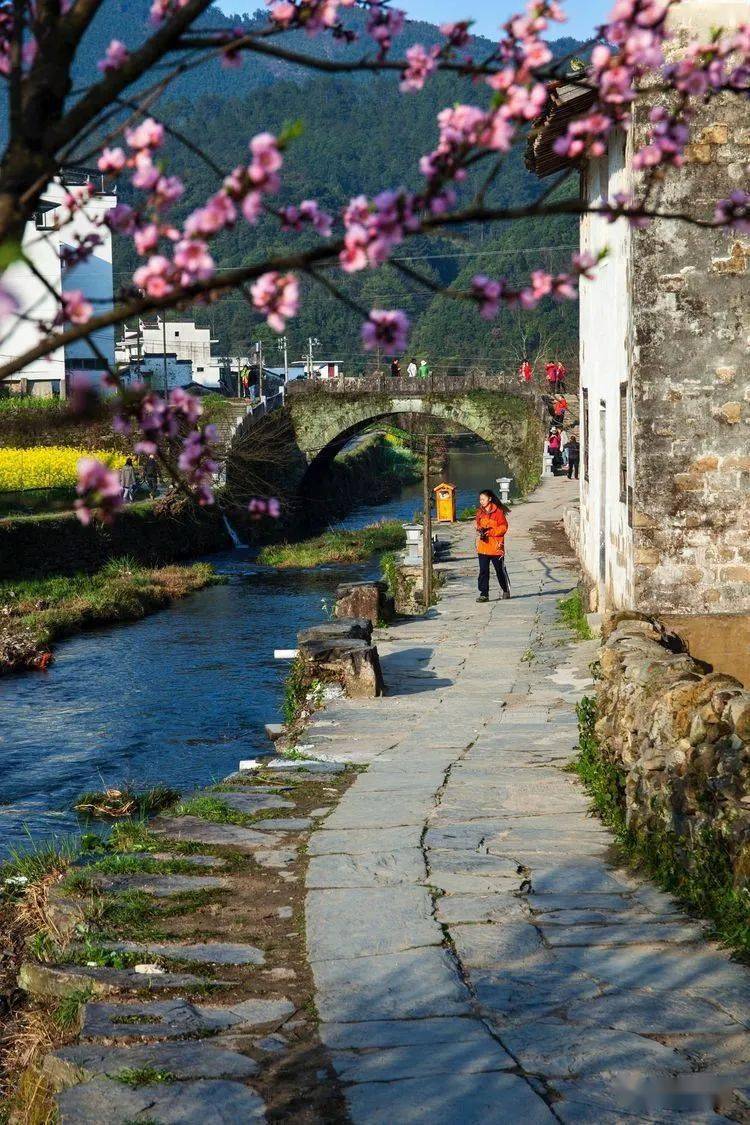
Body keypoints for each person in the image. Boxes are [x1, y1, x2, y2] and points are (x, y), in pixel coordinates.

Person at [475, 489, 511, 603]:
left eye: (483, 499)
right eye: (480, 499)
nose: (481, 501)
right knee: (483, 571)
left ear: (489, 499)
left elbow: (504, 528)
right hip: (483, 547)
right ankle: (484, 594)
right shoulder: (479, 512)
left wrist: (490, 532)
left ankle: (505, 589)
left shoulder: (498, 512)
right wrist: (479, 529)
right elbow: (477, 524)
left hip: (496, 547)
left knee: (499, 570)